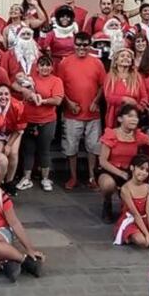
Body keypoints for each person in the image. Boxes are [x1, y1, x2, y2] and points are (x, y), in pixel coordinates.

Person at [57, 32, 105, 190]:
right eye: (78, 44)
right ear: (74, 44)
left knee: (93, 147)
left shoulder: (97, 63)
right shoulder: (65, 63)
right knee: (71, 147)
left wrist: (96, 101)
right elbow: (59, 86)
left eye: (85, 45)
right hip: (72, 114)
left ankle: (92, 177)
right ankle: (73, 177)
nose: (81, 48)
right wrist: (69, 103)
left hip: (93, 114)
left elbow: (102, 85)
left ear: (89, 45)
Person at [97, 104, 149, 222]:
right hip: (110, 169)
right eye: (130, 116)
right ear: (120, 119)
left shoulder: (137, 135)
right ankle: (107, 203)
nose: (134, 119)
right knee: (108, 185)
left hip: (130, 171)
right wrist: (120, 173)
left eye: (136, 117)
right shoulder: (111, 134)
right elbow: (102, 161)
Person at [16, 56, 63, 192]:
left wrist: (42, 101)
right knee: (28, 150)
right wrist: (26, 91)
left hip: (47, 120)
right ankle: (27, 178)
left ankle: (45, 178)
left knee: (44, 150)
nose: (44, 68)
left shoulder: (56, 80)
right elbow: (15, 84)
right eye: (41, 65)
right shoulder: (30, 78)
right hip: (29, 120)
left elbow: (57, 100)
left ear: (52, 67)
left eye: (47, 65)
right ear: (37, 67)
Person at [0, 84, 26, 189]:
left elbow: (20, 127)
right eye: (0, 94)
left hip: (13, 132)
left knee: (13, 153)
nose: (3, 97)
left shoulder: (18, 105)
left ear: (10, 95)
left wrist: (9, 145)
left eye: (6, 94)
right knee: (1, 155)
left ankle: (9, 182)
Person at [113, 154, 149, 248]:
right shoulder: (125, 189)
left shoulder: (148, 188)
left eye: (147, 170)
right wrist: (147, 235)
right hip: (132, 219)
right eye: (141, 168)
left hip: (145, 219)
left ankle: (147, 232)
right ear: (132, 167)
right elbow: (135, 214)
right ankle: (131, 235)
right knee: (142, 242)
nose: (144, 173)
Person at [102, 48, 146, 130]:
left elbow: (144, 97)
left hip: (133, 115)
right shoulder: (110, 77)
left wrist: (139, 107)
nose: (125, 58)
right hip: (114, 117)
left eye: (128, 56)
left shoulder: (137, 77)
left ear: (132, 61)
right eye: (122, 56)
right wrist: (125, 99)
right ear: (116, 61)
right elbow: (108, 97)